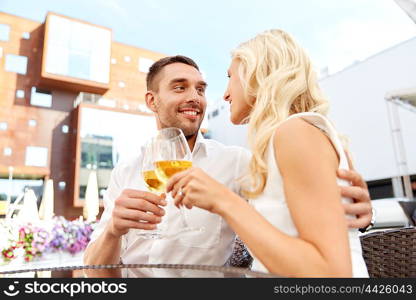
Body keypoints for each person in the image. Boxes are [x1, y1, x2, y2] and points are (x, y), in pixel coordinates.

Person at [83, 54, 372, 277]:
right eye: (179, 88)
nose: (194, 98)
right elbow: (93, 271)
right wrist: (112, 231)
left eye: (200, 89)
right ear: (152, 101)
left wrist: (355, 206)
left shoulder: (237, 162)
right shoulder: (126, 169)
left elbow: (298, 200)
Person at [166, 31, 369, 277]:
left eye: (231, 77)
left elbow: (332, 275)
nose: (226, 94)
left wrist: (224, 201)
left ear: (258, 75)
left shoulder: (295, 133)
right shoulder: (290, 137)